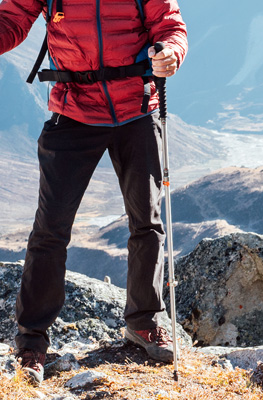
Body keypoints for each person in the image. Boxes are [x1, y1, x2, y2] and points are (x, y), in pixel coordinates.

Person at [0, 0, 188, 385]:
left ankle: (144, 323)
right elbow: (10, 20)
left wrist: (171, 52)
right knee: (50, 231)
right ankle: (31, 342)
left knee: (147, 222)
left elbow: (169, 24)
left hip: (136, 108)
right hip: (73, 111)